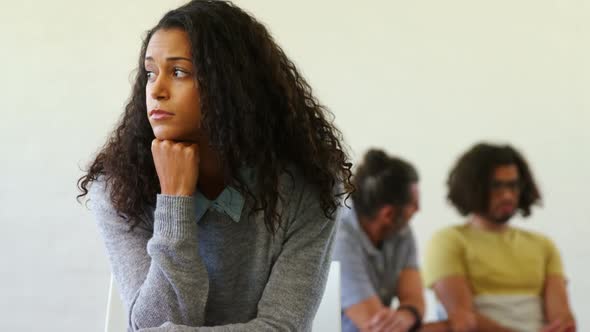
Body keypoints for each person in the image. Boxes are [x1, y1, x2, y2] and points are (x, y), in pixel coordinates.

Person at [77, 1, 352, 330]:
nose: (156, 91)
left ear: (231, 84)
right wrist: (174, 202)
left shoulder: (308, 189)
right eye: (151, 73)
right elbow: (152, 323)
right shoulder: (118, 189)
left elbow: (281, 327)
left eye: (179, 72)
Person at [424, 143, 576, 332]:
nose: (507, 195)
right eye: (496, 186)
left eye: (513, 185)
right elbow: (464, 318)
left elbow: (561, 317)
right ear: (473, 188)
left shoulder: (543, 245)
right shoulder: (448, 241)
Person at [332, 149, 425, 332]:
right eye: (413, 204)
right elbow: (373, 325)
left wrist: (406, 316)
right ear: (388, 214)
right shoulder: (340, 238)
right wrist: (408, 318)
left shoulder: (402, 232)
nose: (418, 209)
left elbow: (415, 300)